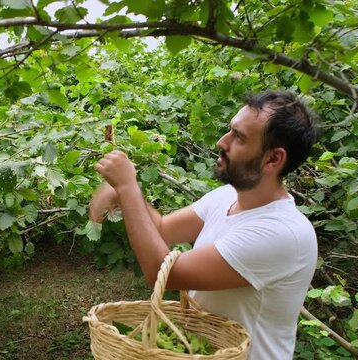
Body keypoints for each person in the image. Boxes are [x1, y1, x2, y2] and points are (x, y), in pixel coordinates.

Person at [89, 90, 321, 359]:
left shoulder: (282, 233)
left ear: (273, 159)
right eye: (229, 131)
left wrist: (127, 187)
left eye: (239, 137)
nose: (223, 142)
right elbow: (163, 229)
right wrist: (124, 194)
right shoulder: (227, 196)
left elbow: (162, 272)